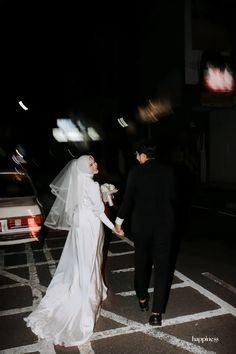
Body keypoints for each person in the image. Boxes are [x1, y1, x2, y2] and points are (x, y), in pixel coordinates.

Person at [24, 155, 123, 348]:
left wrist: (103, 194)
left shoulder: (78, 183)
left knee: (81, 260)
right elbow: (99, 212)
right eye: (91, 164)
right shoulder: (92, 185)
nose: (96, 165)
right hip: (91, 227)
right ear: (84, 169)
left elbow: (85, 204)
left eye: (95, 162)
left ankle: (94, 287)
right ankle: (86, 297)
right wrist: (114, 227)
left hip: (79, 225)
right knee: (90, 259)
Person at [115, 141, 178, 326]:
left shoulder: (136, 171)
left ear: (143, 155)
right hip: (164, 227)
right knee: (162, 270)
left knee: (141, 264)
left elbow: (127, 199)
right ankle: (157, 313)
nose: (136, 158)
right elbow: (174, 199)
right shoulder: (169, 172)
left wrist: (118, 222)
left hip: (141, 227)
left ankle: (142, 299)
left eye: (137, 155)